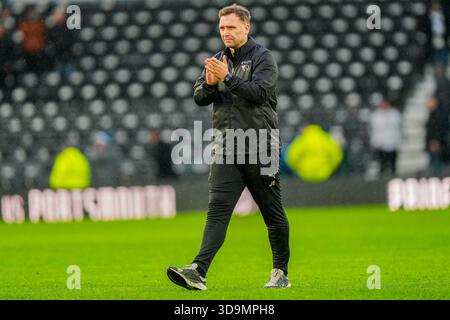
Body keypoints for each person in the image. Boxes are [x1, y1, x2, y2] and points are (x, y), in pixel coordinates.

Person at [167, 4, 291, 291]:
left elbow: (259, 94)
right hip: (226, 147)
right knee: (218, 210)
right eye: (222, 28)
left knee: (271, 211)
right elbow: (199, 97)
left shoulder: (264, 58)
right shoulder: (217, 60)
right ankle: (198, 270)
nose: (226, 32)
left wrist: (227, 78)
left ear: (246, 27)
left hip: (263, 146)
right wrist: (209, 85)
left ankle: (280, 271)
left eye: (231, 27)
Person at [369, 100, 402, 177]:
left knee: (393, 164)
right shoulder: (376, 115)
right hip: (381, 144)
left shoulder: (395, 114)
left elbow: (397, 128)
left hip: (393, 143)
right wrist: (375, 142)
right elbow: (375, 130)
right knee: (382, 164)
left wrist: (398, 141)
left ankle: (393, 178)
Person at [425, 96, 449, 176]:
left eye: (429, 102)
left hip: (438, 146)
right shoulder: (433, 114)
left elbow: (440, 129)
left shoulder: (439, 114)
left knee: (438, 169)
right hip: (436, 145)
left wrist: (436, 141)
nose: (427, 104)